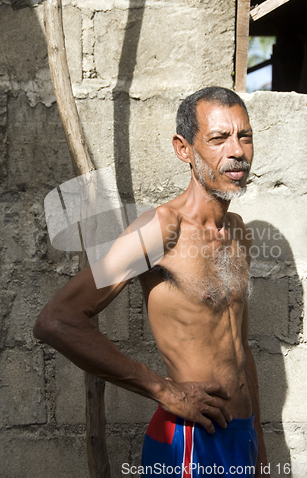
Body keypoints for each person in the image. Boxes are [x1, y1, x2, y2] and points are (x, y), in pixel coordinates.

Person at [34, 86, 269, 477]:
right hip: (190, 441)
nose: (237, 151)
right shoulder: (162, 229)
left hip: (240, 438)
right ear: (184, 149)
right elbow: (57, 319)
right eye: (218, 138)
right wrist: (164, 390)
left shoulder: (238, 232)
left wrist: (258, 445)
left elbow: (240, 349)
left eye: (244, 136)